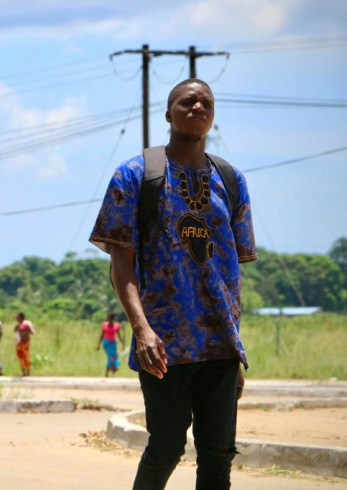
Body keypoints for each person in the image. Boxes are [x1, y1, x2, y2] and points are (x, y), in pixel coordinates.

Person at [89, 79, 257, 489]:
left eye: (206, 103)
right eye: (188, 101)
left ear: (213, 115)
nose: (198, 107)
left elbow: (232, 272)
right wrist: (141, 329)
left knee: (219, 454)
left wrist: (235, 343)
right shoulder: (135, 174)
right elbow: (121, 262)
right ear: (169, 113)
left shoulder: (231, 180)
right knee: (166, 445)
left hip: (219, 342)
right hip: (163, 343)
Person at [97, 312, 125, 377]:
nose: (108, 319)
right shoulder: (104, 325)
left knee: (114, 357)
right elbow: (102, 335)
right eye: (107, 318)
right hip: (106, 343)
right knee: (111, 357)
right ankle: (108, 373)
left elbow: (119, 336)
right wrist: (98, 345)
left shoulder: (116, 326)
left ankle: (112, 373)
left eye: (109, 318)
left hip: (113, 343)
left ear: (112, 319)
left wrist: (122, 344)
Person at [13, 312, 36, 376]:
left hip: (25, 342)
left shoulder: (26, 324)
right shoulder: (18, 325)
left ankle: (28, 372)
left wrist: (25, 332)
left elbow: (32, 332)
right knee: (20, 357)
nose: (17, 318)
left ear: (21, 317)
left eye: (18, 317)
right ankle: (23, 372)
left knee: (26, 357)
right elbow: (15, 330)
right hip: (19, 343)